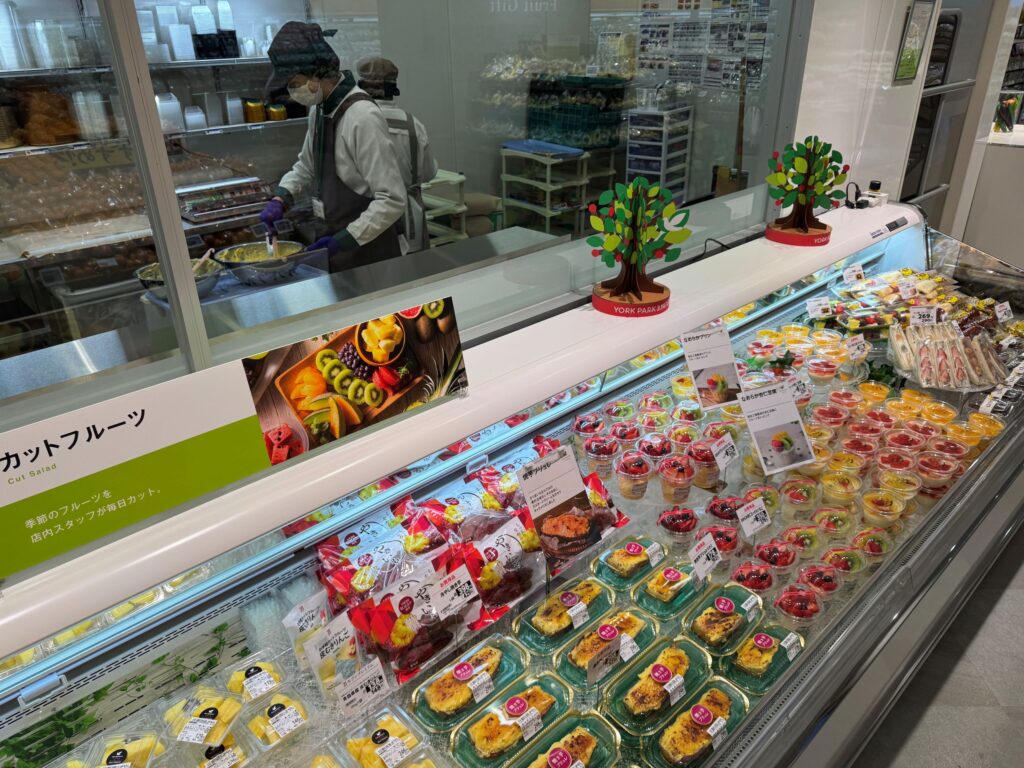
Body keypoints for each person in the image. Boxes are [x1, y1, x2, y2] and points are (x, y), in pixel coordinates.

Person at [260, 22, 406, 272]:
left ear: (316, 73)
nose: (292, 91)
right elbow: (307, 166)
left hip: (371, 252)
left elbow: (392, 199)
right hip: (336, 243)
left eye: (295, 82)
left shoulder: (362, 117)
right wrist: (281, 197)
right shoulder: (319, 110)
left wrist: (344, 240)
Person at [356, 56, 438, 253]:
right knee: (412, 268)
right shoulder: (414, 125)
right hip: (408, 216)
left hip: (367, 216)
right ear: (393, 89)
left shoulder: (355, 124)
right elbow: (429, 172)